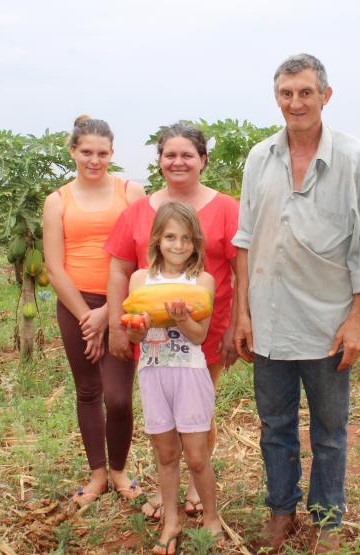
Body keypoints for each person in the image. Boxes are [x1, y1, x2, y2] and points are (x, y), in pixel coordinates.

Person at [232, 53, 360, 553]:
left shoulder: (354, 158)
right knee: (274, 426)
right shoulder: (261, 158)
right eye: (286, 93)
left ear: (325, 95)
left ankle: (325, 517)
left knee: (329, 430)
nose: (295, 102)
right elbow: (245, 241)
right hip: (270, 321)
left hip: (327, 324)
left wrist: (357, 321)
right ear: (277, 97)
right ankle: (280, 511)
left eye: (304, 92)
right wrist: (243, 312)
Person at [105, 123, 240, 520]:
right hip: (151, 333)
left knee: (200, 410)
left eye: (187, 155)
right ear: (160, 160)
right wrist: (117, 324)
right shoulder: (136, 212)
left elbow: (242, 268)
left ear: (203, 161)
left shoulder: (227, 207)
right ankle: (174, 492)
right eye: (170, 155)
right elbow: (119, 272)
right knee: (165, 420)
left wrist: (238, 324)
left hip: (207, 326)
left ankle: (198, 488)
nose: (178, 161)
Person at [42, 115, 146, 508]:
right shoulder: (57, 201)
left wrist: (108, 313)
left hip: (122, 304)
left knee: (118, 397)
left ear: (112, 153)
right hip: (75, 305)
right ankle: (98, 474)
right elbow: (54, 266)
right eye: (86, 152)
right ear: (73, 151)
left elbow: (142, 257)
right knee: (88, 390)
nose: (94, 160)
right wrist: (87, 314)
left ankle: (119, 470)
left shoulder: (130, 192)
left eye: (102, 153)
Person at [123, 202, 223, 554]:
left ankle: (211, 517)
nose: (178, 245)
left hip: (190, 374)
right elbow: (133, 337)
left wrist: (180, 318)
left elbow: (199, 336)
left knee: (196, 456)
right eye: (169, 237)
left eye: (185, 238)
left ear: (196, 242)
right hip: (152, 373)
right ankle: (171, 520)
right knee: (165, 453)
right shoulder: (139, 279)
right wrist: (137, 328)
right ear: (157, 240)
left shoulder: (202, 281)